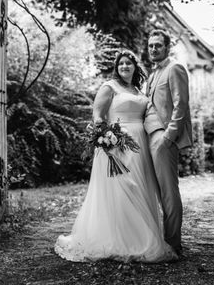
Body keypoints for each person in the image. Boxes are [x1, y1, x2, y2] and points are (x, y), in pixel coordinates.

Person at [54, 50, 177, 263]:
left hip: (140, 146)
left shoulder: (139, 90)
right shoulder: (109, 87)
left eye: (128, 63)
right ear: (116, 67)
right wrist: (106, 140)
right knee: (122, 189)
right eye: (121, 64)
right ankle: (117, 240)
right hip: (116, 145)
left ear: (134, 67)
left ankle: (139, 237)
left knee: (140, 188)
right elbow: (98, 116)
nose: (124, 67)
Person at [144, 29, 192, 257]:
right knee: (155, 191)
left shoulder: (175, 69)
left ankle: (173, 244)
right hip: (148, 137)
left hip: (163, 138)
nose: (153, 49)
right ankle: (161, 240)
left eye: (158, 45)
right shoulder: (152, 74)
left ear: (167, 47)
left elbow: (181, 105)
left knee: (169, 192)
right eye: (151, 45)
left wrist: (168, 137)